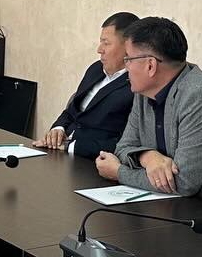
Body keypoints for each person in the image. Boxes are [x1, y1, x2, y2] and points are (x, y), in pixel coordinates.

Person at [95, 17, 202, 218]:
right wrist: (148, 157)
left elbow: (184, 182)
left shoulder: (198, 95)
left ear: (150, 66)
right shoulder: (144, 92)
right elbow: (123, 147)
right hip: (183, 209)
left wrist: (119, 172)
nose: (125, 66)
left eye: (128, 59)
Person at [34, 11, 137, 159]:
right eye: (100, 42)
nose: (99, 49)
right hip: (59, 151)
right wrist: (58, 128)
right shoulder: (95, 69)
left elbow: (124, 143)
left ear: (128, 47)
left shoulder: (136, 84)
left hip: (90, 160)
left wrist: (71, 147)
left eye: (106, 43)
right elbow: (72, 111)